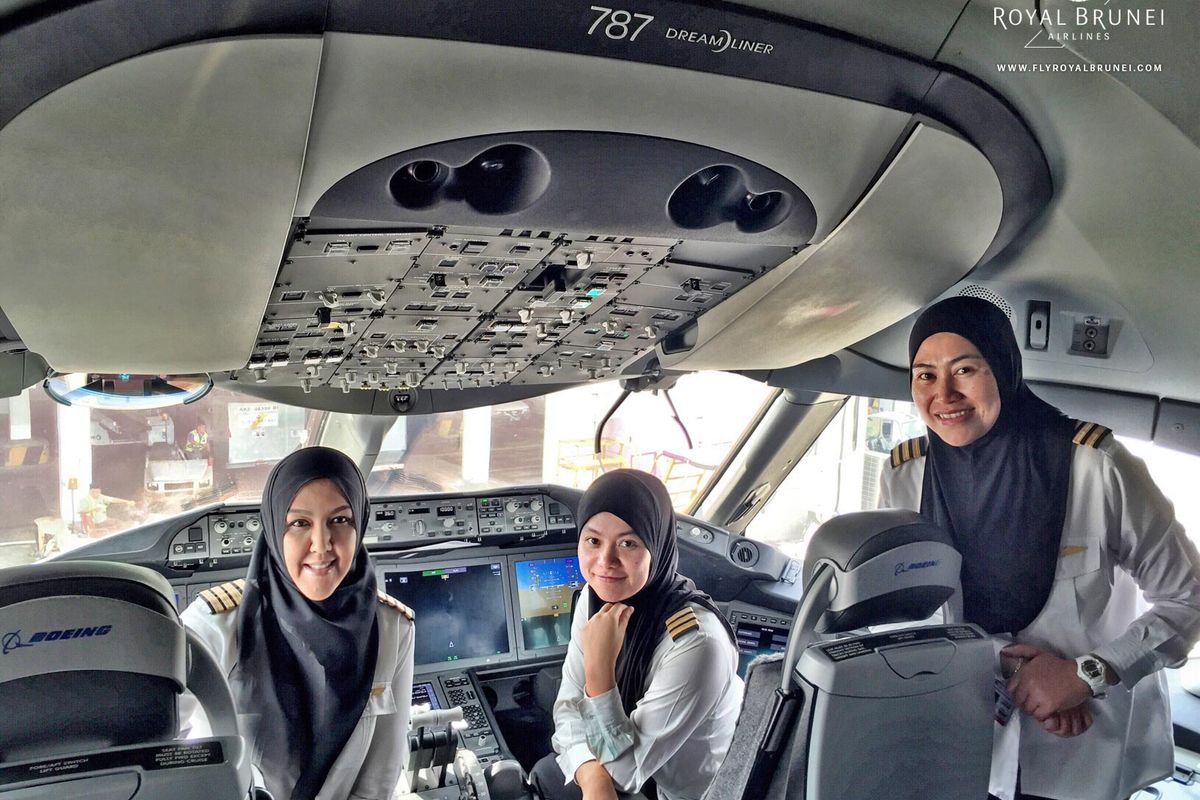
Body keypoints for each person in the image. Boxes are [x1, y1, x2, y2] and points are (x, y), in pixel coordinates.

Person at [879, 296, 1200, 800]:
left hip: (1081, 746)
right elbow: (905, 610)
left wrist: (1089, 673)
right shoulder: (905, 473)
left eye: (965, 369)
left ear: (1003, 369)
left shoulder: (1098, 465)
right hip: (961, 738)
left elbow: (1188, 598)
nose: (944, 393)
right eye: (924, 375)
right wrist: (1002, 660)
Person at [180, 446, 414, 800]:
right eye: (300, 523)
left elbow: (378, 781)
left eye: (340, 520)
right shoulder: (214, 628)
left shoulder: (393, 629)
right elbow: (159, 747)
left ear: (360, 524)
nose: (321, 545)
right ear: (274, 528)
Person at [530, 469, 743, 800]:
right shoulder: (594, 596)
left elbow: (624, 773)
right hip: (631, 774)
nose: (605, 561)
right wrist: (591, 775)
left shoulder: (698, 645)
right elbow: (568, 707)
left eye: (628, 543)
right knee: (546, 773)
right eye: (593, 540)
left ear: (656, 546)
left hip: (681, 795)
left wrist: (599, 671)